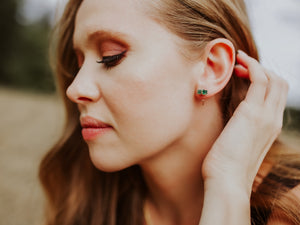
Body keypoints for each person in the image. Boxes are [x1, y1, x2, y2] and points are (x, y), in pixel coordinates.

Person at [39, 0, 300, 224]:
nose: (75, 89)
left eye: (110, 57)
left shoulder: (291, 209)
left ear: (212, 69)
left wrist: (228, 185)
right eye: (79, 64)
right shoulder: (89, 201)